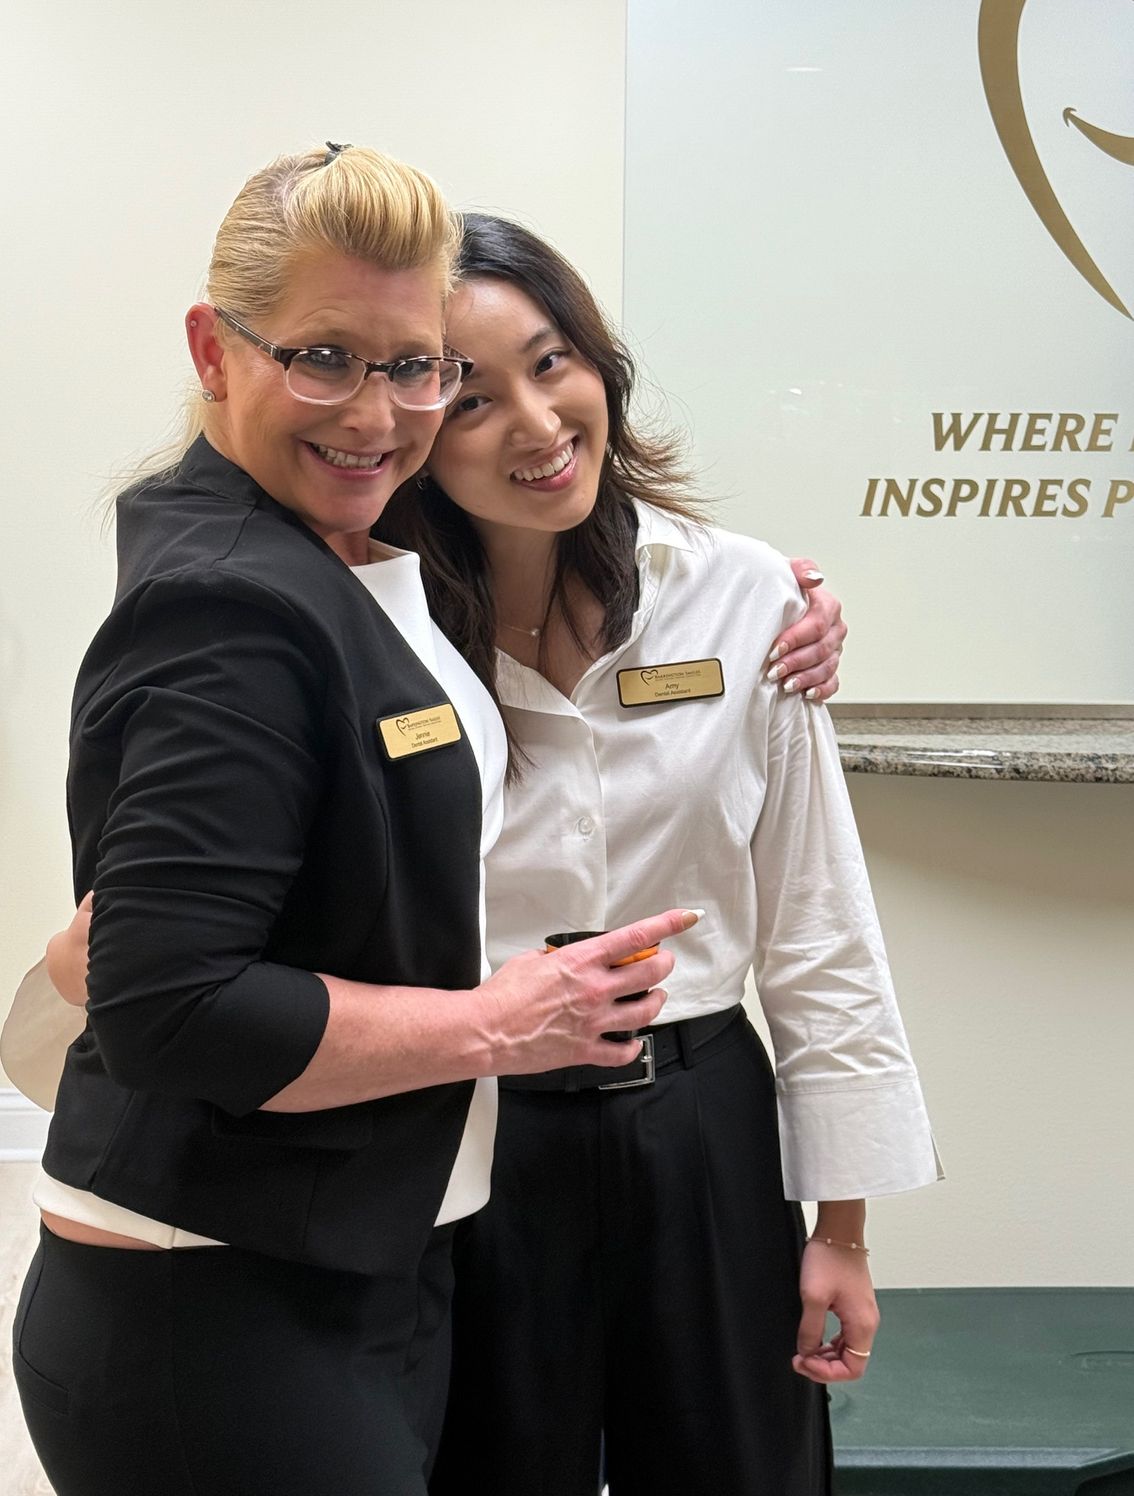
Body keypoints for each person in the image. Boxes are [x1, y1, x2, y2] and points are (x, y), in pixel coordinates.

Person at [5, 146, 699, 1496]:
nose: (377, 414)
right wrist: (500, 1024)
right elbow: (171, 1008)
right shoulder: (228, 602)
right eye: (323, 359)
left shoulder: (347, 544)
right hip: (212, 1299)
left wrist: (763, 596)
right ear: (214, 350)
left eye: (413, 366)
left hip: (350, 1254)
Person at [372, 214, 941, 1496]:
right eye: (472, 397)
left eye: (553, 362)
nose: (536, 423)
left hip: (702, 1124)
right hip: (474, 1125)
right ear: (413, 430)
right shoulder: (373, 628)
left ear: (601, 365)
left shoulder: (745, 597)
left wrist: (844, 1228)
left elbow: (818, 924)